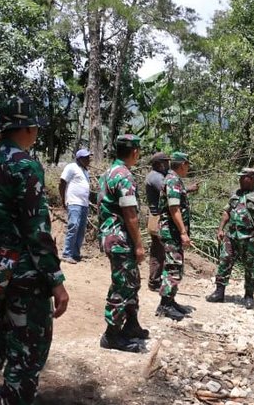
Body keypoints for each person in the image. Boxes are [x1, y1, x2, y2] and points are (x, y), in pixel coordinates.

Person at [0, 96, 69, 405]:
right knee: (28, 352)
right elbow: (36, 232)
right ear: (26, 128)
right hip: (23, 274)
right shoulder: (25, 165)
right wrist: (56, 281)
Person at [98, 134, 147, 353]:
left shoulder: (109, 173)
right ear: (135, 152)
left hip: (111, 236)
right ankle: (112, 334)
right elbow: (130, 214)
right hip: (120, 238)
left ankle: (131, 325)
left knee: (131, 281)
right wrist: (138, 244)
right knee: (122, 284)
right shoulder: (124, 176)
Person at [206, 168, 254, 309]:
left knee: (251, 266)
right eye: (240, 177)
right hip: (232, 235)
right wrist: (221, 229)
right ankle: (219, 292)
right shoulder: (236, 193)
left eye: (243, 177)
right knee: (225, 261)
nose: (240, 180)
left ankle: (249, 296)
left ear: (252, 178)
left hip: (250, 237)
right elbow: (227, 212)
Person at [156, 152, 194, 321]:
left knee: (174, 265)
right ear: (183, 164)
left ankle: (170, 301)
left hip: (173, 231)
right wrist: (183, 232)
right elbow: (174, 209)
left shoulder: (174, 180)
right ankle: (165, 305)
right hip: (171, 231)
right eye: (188, 165)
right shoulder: (172, 180)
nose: (189, 168)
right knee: (173, 267)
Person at [59, 148, 93, 264]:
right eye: (86, 157)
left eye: (89, 157)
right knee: (73, 226)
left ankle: (75, 253)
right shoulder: (71, 167)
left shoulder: (85, 171)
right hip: (74, 202)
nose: (89, 159)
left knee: (81, 230)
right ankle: (67, 253)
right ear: (79, 159)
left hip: (84, 204)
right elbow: (62, 182)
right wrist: (64, 199)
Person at [145, 152, 170, 291]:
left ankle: (156, 280)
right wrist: (188, 189)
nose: (168, 165)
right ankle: (154, 281)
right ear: (160, 164)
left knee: (159, 250)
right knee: (158, 251)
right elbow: (169, 190)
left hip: (157, 217)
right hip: (157, 218)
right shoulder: (156, 177)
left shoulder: (158, 176)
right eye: (166, 163)